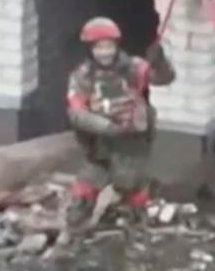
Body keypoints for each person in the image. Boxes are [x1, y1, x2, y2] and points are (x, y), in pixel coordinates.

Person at [64, 16, 176, 231]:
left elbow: (162, 78)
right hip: (99, 144)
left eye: (109, 46)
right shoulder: (82, 76)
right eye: (99, 47)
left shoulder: (133, 67)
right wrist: (107, 127)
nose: (104, 52)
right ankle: (74, 233)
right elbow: (76, 113)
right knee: (84, 190)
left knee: (132, 187)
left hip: (132, 143)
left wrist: (160, 62)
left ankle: (135, 229)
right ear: (90, 49)